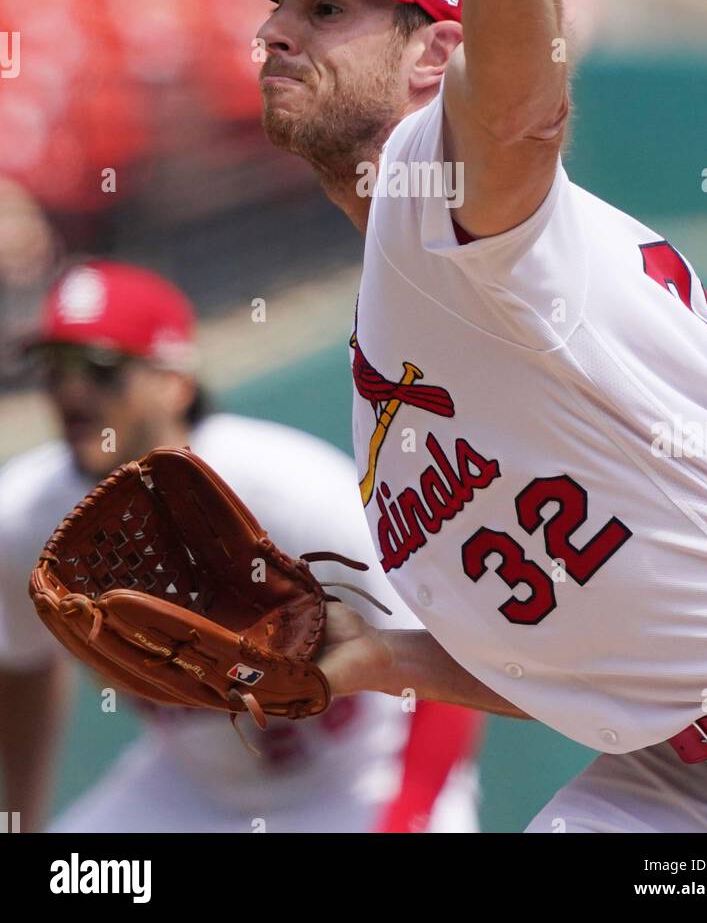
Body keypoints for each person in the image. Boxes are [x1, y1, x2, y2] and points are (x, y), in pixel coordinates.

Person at [219, 0, 707, 834]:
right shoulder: (397, 345)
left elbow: (518, 114)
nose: (274, 30)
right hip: (681, 757)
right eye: (279, 8)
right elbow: (583, 665)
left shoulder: (436, 186)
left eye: (326, 5)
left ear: (435, 54)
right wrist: (375, 654)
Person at [0, 259, 481, 833]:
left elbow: (443, 648)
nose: (71, 391)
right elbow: (20, 659)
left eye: (101, 369)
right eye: (53, 369)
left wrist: (409, 815)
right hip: (196, 797)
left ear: (175, 381)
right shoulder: (28, 518)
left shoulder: (287, 488)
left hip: (357, 781)